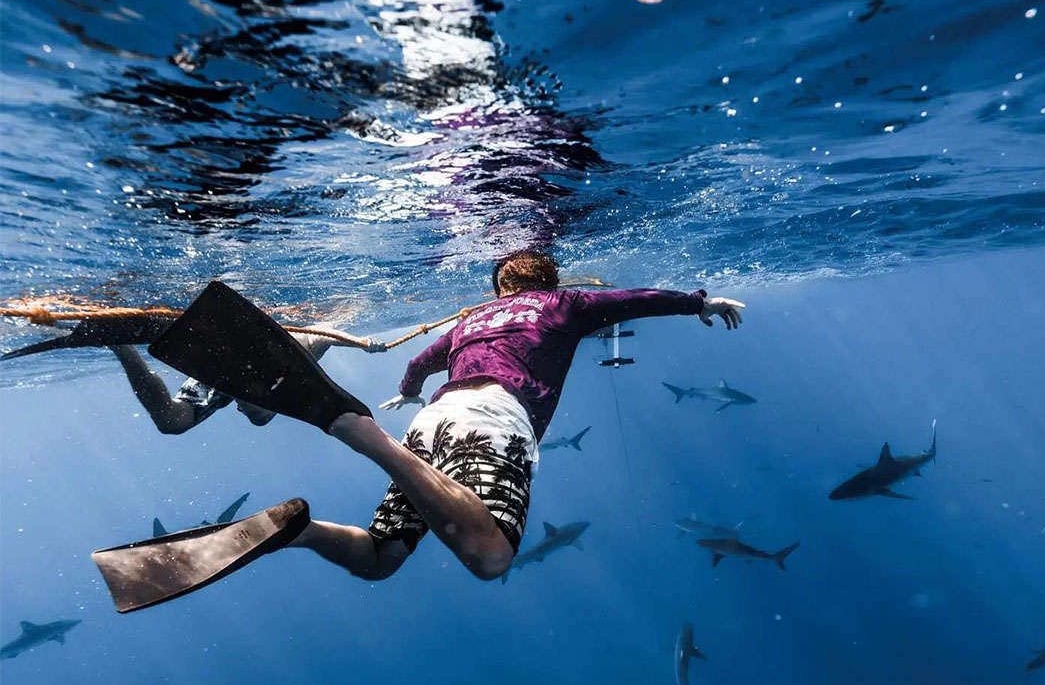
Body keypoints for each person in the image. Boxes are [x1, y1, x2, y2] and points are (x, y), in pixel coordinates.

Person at [91, 251, 744, 612]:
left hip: (434, 423)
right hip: (491, 423)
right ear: (550, 280)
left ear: (499, 284)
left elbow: (419, 364)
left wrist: (407, 393)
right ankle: (356, 431)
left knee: (381, 560)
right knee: (490, 558)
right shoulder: (565, 302)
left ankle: (297, 531)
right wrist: (700, 301)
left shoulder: (471, 320)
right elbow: (632, 301)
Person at [109, 329, 335, 433]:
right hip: (242, 350)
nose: (240, 410)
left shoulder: (219, 393)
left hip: (220, 375)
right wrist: (361, 342)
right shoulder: (294, 364)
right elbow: (323, 335)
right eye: (252, 409)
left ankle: (118, 342)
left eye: (245, 410)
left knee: (171, 423)